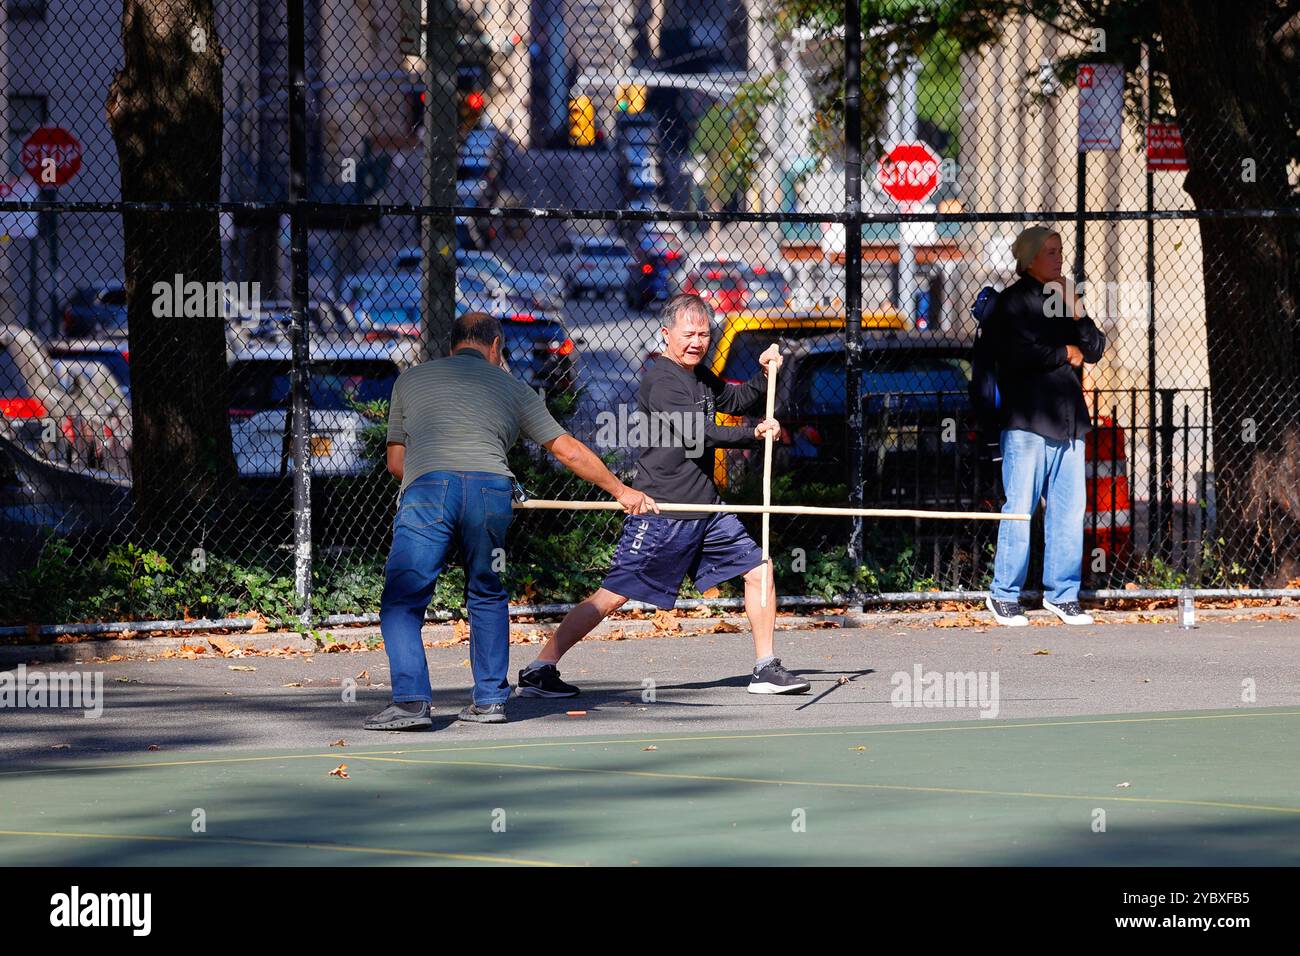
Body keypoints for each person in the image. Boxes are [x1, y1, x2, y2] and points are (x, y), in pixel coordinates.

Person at [365, 311, 657, 731]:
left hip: (427, 492)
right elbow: (567, 449)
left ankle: (411, 703)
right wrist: (621, 491)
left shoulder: (410, 380)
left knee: (403, 601)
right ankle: (489, 700)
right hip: (491, 494)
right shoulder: (513, 387)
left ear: (452, 345)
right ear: (497, 346)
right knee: (486, 593)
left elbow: (396, 462)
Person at [516, 293, 811, 697]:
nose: (696, 342)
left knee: (760, 569)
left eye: (703, 334)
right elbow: (698, 433)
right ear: (666, 334)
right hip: (664, 511)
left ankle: (765, 667)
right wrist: (753, 433)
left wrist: (764, 375)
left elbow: (737, 399)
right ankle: (540, 668)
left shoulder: (699, 375)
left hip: (705, 509)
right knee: (612, 596)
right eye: (688, 334)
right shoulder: (661, 379)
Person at [986, 226, 1107, 627]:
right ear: (1031, 259)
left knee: (1069, 512)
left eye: (1061, 251)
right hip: (1027, 422)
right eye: (1051, 253)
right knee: (1020, 509)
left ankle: (1063, 594)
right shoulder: (1012, 303)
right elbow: (1017, 354)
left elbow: (1094, 349)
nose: (1060, 259)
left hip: (1068, 421)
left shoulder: (1062, 301)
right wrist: (1063, 352)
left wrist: (1078, 312)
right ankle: (1004, 593)